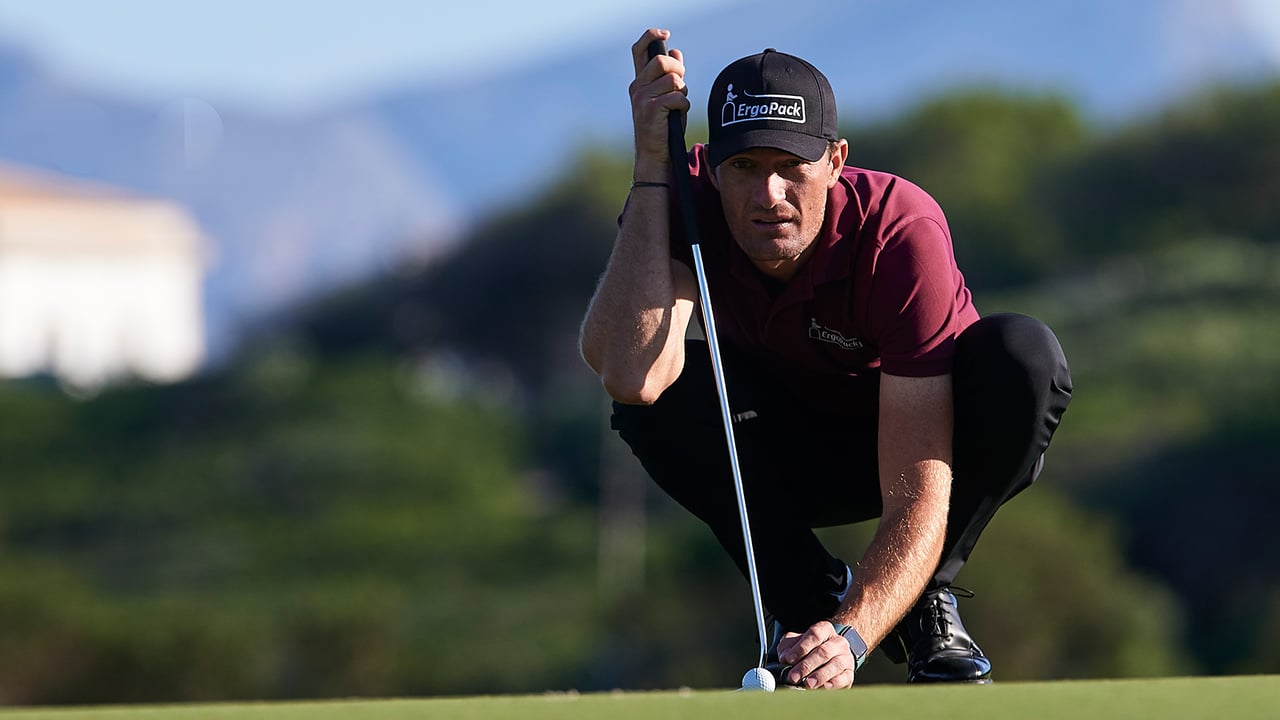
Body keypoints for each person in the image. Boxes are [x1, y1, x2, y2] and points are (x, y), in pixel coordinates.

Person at [579, 28, 1072, 690]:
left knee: (1023, 356)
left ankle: (925, 600)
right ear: (712, 167)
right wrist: (650, 170)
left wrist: (856, 631)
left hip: (916, 443)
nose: (768, 195)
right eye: (744, 167)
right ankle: (809, 600)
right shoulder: (684, 197)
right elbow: (630, 376)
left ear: (836, 161)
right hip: (781, 454)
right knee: (663, 400)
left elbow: (920, 479)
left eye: (791, 166)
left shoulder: (899, 230)